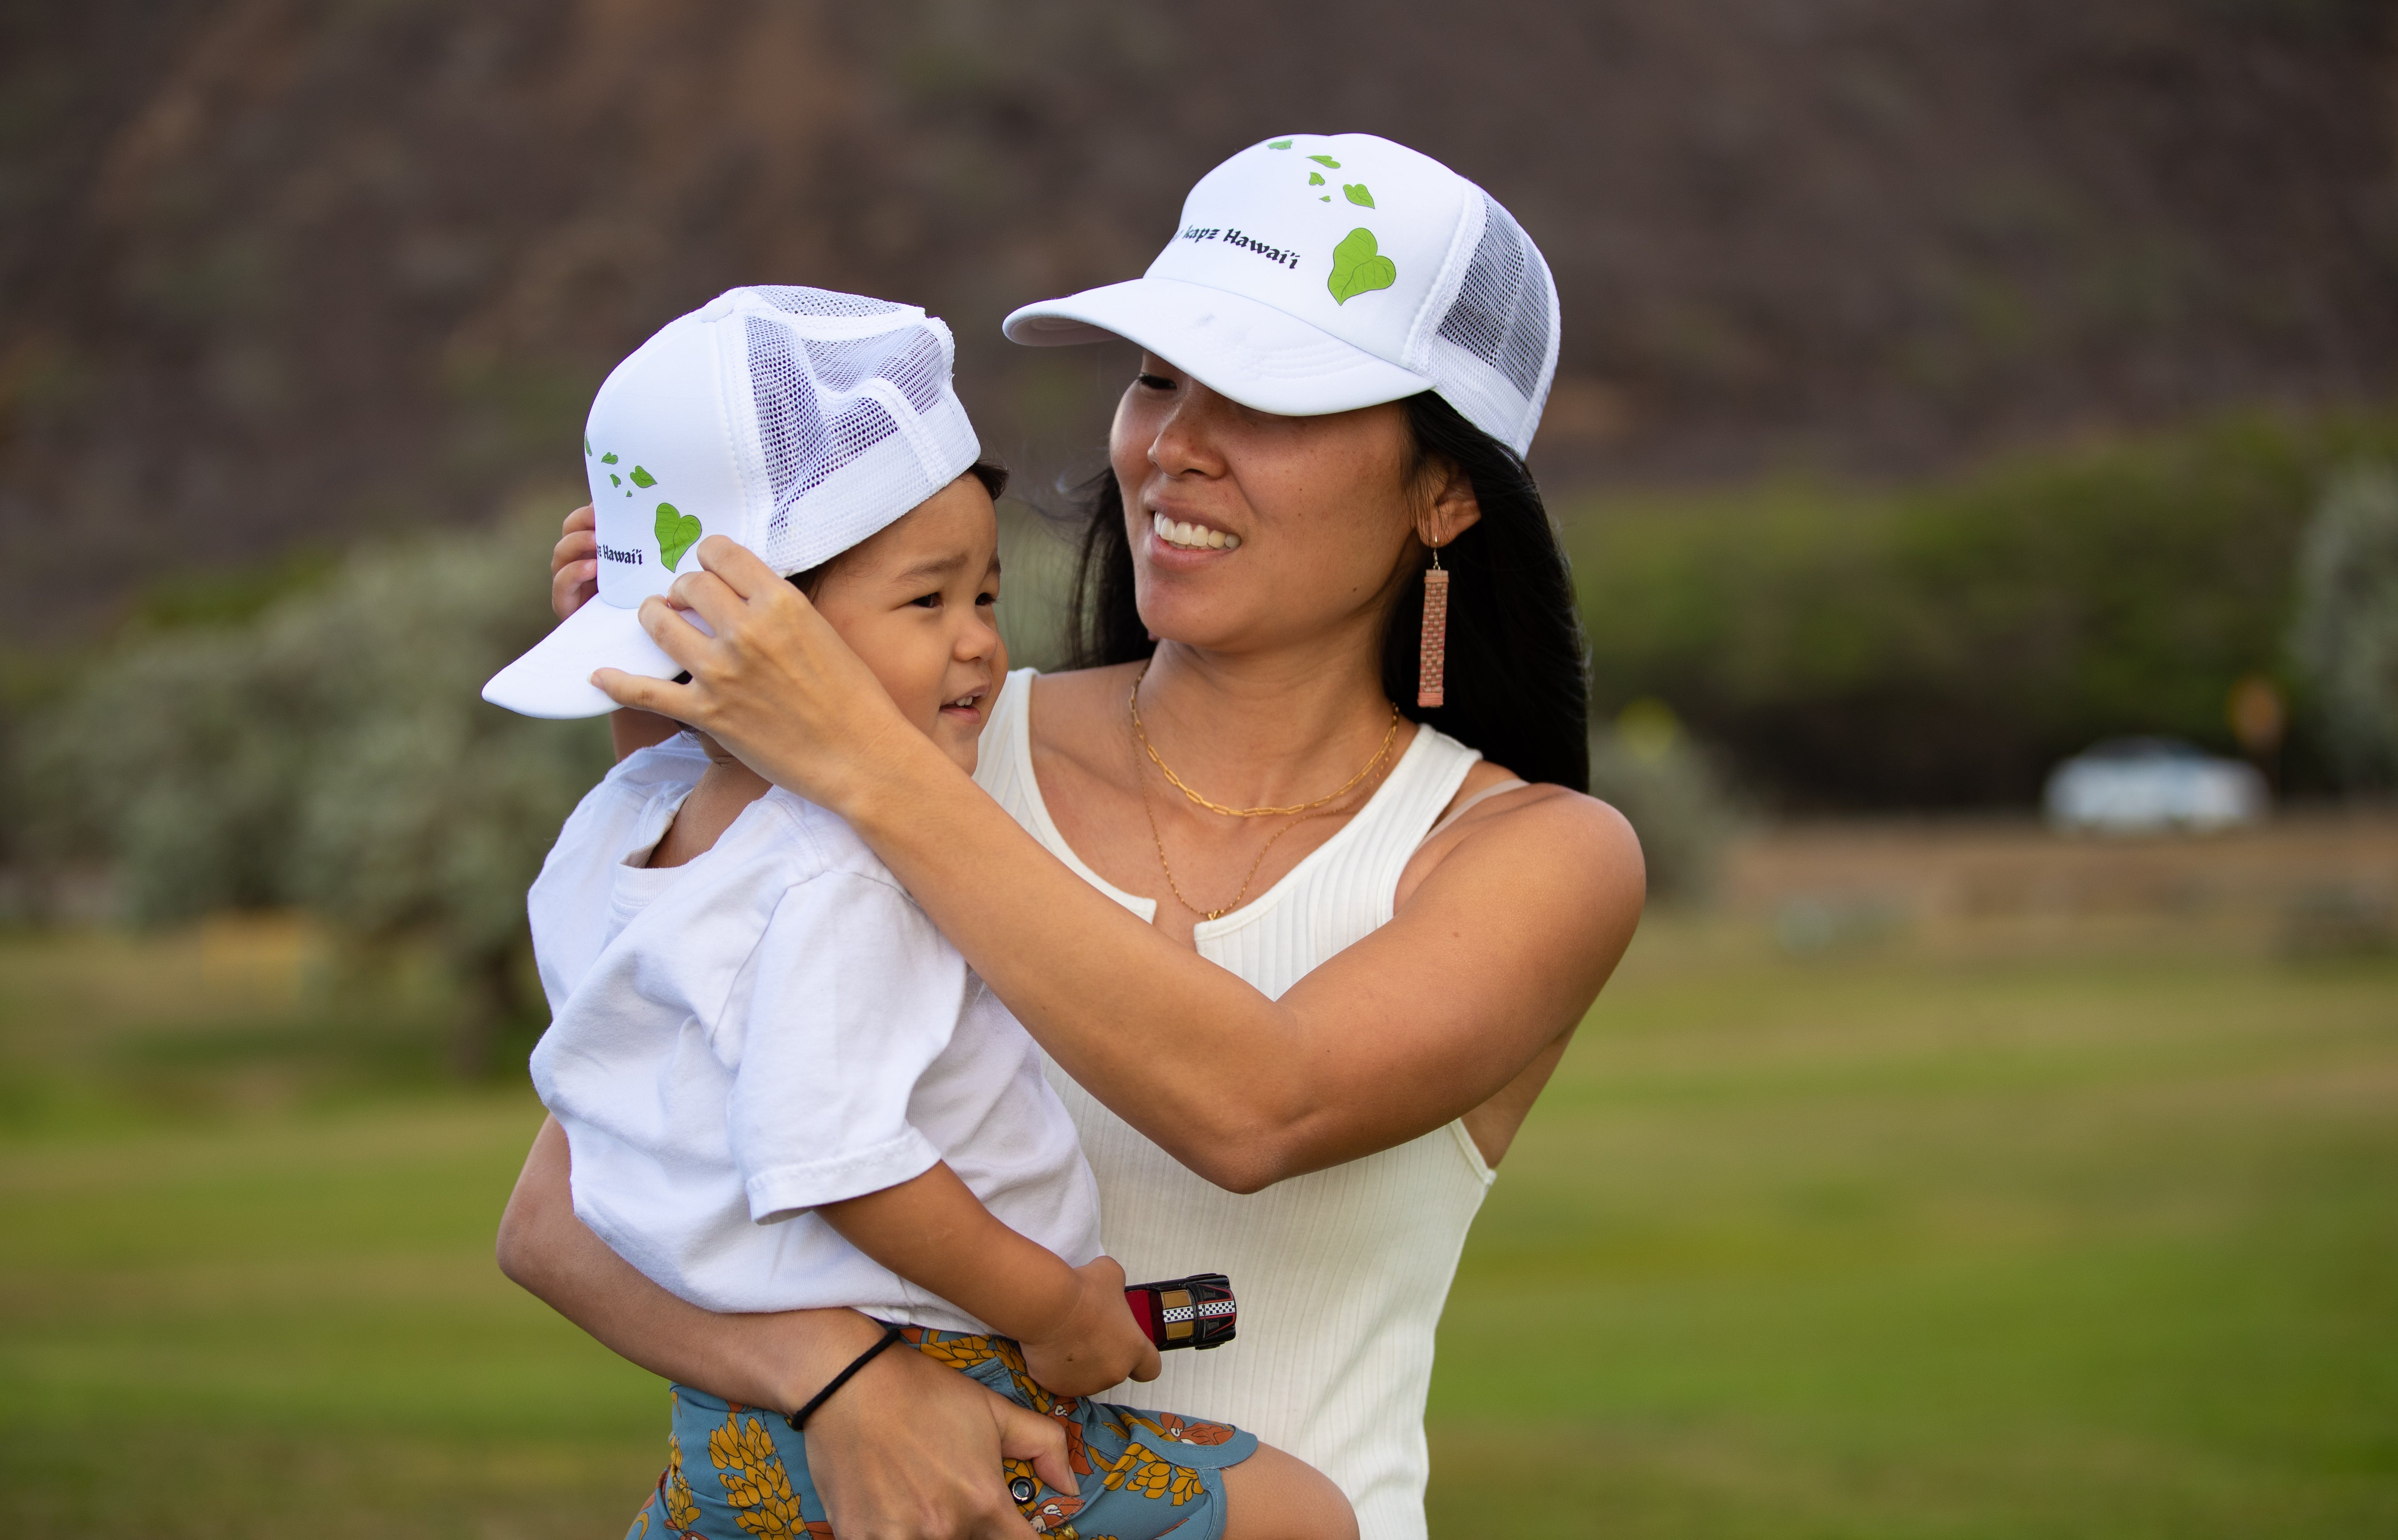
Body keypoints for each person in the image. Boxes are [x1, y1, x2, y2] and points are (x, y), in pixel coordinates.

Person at [499, 134, 1647, 1540]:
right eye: (1158, 378)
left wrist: (841, 747)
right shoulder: (925, 742)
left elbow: (1256, 1103)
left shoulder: (1536, 855)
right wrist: (845, 1386)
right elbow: (564, 1218)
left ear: (1445, 491)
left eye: (1271, 403)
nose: (1175, 447)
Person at [486, 285, 1353, 1540]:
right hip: (950, 1379)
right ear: (762, 640)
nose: (978, 649)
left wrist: (643, 658)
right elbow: (839, 1161)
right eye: (926, 601)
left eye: (985, 599)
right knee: (1305, 1521)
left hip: (724, 1422)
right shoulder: (844, 871)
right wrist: (1053, 1310)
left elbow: (672, 972)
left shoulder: (619, 827)